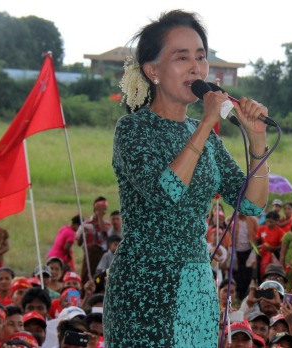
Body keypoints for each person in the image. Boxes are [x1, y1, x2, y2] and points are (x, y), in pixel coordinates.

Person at [104, 10, 269, 347]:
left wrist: (256, 141)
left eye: (201, 57)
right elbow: (165, 193)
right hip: (143, 283)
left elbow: (251, 203)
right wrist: (207, 122)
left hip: (195, 281)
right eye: (182, 58)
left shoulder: (204, 135)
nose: (196, 67)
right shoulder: (133, 130)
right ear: (153, 71)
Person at [76, 197, 111, 284]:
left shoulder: (107, 225)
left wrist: (100, 217)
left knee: (100, 278)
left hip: (101, 255)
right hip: (89, 256)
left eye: (104, 209)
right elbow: (78, 243)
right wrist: (83, 233)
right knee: (86, 278)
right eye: (100, 209)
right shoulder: (86, 224)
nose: (102, 211)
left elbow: (105, 233)